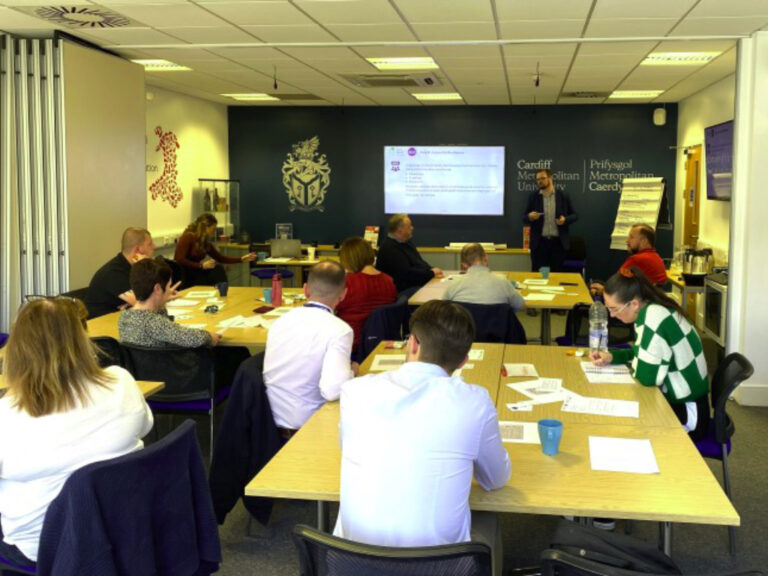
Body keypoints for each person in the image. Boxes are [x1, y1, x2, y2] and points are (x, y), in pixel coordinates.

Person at [334, 300, 510, 575]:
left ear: (412, 343)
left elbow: (347, 448)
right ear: (464, 361)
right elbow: (495, 480)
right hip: (437, 567)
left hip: (351, 563)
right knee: (490, 519)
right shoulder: (474, 402)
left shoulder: (355, 391)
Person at [0, 298, 153, 565]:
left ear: (17, 350)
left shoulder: (7, 416)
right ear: (84, 341)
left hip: (41, 546)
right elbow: (146, 427)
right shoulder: (122, 383)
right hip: (120, 530)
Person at [590, 267, 710, 440]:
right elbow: (642, 353)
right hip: (678, 401)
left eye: (614, 309)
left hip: (688, 414)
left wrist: (632, 370)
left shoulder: (653, 318)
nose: (612, 316)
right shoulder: (653, 308)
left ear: (634, 304)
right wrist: (613, 357)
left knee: (621, 429)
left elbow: (647, 379)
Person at [263, 261, 357, 436]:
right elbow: (332, 391)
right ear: (343, 294)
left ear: (305, 290)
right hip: (308, 429)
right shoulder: (340, 330)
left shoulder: (280, 321)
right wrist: (351, 371)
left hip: (267, 423)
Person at [118, 258, 220, 348]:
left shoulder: (124, 318)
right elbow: (191, 338)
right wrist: (209, 337)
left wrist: (161, 300)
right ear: (157, 289)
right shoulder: (154, 323)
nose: (170, 291)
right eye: (168, 286)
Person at [335, 236, 397, 354]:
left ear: (349, 259)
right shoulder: (389, 281)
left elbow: (330, 308)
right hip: (380, 341)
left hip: (351, 342)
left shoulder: (348, 282)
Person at [84, 227, 155, 319]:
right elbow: (146, 307)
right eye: (150, 244)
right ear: (137, 250)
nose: (154, 246)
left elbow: (149, 297)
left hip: (118, 319)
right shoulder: (114, 273)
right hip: (99, 325)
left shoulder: (131, 267)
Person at [174, 213, 256, 287]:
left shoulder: (204, 242)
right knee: (212, 273)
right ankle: (220, 292)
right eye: (213, 229)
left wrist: (241, 259)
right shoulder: (188, 237)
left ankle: (222, 292)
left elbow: (220, 258)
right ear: (205, 227)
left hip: (196, 271)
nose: (214, 232)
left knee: (218, 269)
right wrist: (201, 266)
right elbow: (179, 259)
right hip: (185, 273)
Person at [522, 169, 578, 273]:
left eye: (542, 178)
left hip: (558, 244)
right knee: (538, 276)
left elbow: (575, 215)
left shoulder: (563, 196)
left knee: (556, 276)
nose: (540, 181)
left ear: (550, 178)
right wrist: (530, 216)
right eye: (538, 179)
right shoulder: (533, 197)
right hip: (539, 244)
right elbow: (524, 217)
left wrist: (565, 220)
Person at [590, 224, 667, 298]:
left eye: (631, 237)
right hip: (648, 298)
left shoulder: (637, 259)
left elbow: (616, 285)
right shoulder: (656, 257)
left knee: (593, 285)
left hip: (636, 300)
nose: (627, 240)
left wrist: (601, 291)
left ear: (644, 241)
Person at [444, 243, 525, 309]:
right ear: (486, 258)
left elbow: (444, 308)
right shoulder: (503, 282)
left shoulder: (454, 286)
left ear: (464, 265)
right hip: (498, 328)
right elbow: (520, 304)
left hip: (465, 328)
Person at [376, 213, 444, 293]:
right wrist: (431, 273)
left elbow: (420, 262)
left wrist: (431, 269)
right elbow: (406, 273)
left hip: (412, 285)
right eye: (409, 226)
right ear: (399, 230)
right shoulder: (389, 248)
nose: (412, 228)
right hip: (400, 290)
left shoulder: (407, 243)